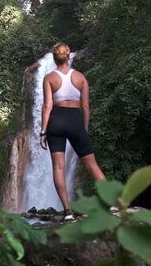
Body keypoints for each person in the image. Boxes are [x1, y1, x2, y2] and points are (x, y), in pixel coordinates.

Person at [39, 42, 105, 218]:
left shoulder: (49, 78)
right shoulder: (81, 78)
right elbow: (85, 106)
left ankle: (67, 211)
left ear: (54, 58)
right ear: (68, 56)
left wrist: (43, 131)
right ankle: (112, 204)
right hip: (75, 120)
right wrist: (84, 127)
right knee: (92, 165)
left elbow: (47, 106)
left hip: (56, 121)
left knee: (59, 167)